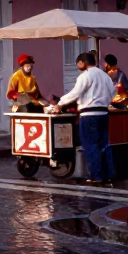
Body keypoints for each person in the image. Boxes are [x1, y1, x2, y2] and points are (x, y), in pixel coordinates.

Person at [50, 51, 116, 186]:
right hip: (103, 114)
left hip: (89, 115)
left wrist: (60, 103)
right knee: (104, 145)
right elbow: (113, 92)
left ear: (83, 62)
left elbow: (76, 92)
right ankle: (109, 175)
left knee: (91, 146)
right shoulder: (104, 75)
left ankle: (96, 176)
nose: (77, 65)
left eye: (78, 63)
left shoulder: (85, 76)